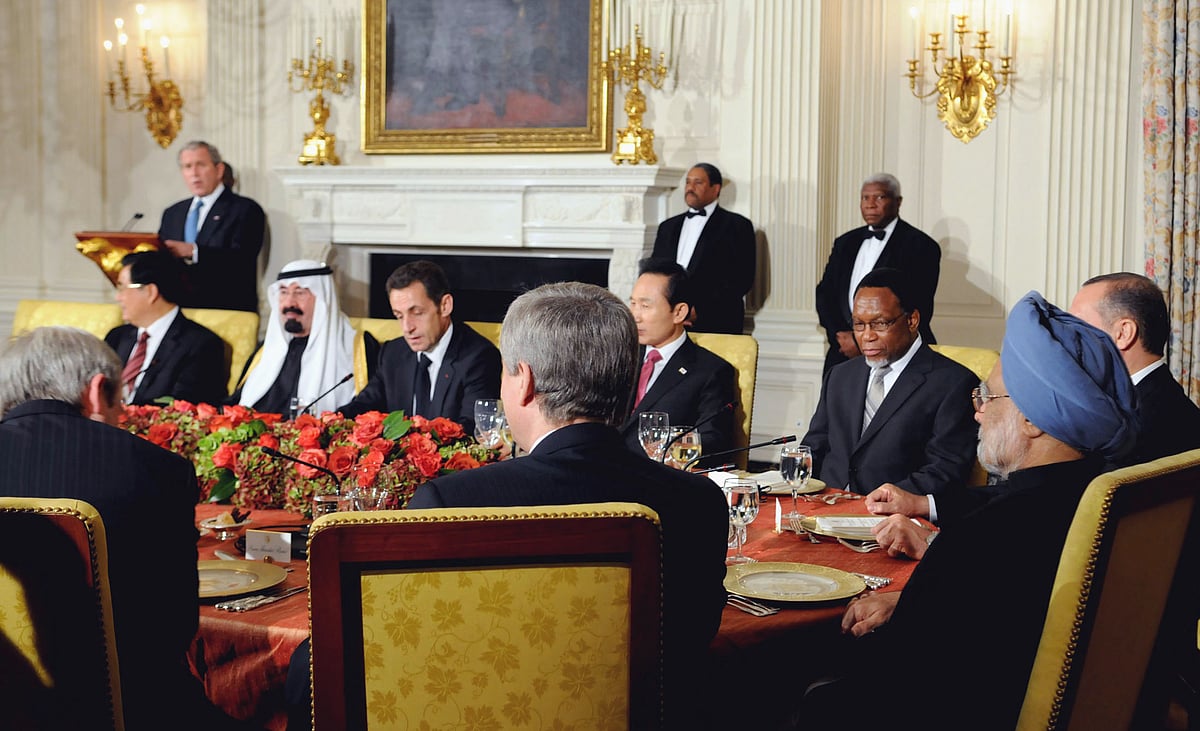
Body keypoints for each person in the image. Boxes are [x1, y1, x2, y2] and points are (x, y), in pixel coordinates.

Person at [799, 292, 1139, 731]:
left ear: (1033, 420)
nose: (977, 413)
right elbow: (1008, 605)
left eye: (988, 397)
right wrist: (914, 599)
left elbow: (901, 682)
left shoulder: (986, 534)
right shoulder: (1108, 497)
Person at [406, 281, 729, 725]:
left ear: (526, 383)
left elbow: (406, 654)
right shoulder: (700, 501)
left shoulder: (452, 502)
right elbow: (694, 643)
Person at [0, 327, 252, 730]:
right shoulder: (156, 468)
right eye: (121, 401)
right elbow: (175, 627)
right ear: (98, 391)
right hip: (133, 711)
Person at [868, 272, 1200, 559]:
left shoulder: (1154, 424)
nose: (1060, 337)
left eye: (1076, 324)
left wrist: (940, 546)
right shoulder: (1143, 404)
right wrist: (926, 505)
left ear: (1123, 333)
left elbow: (1048, 525)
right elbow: (1031, 494)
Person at [802, 267, 978, 496]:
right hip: (822, 510)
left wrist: (882, 501)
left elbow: (945, 471)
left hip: (895, 519)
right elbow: (813, 449)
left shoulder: (953, 384)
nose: (867, 336)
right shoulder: (840, 376)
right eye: (859, 324)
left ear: (912, 320)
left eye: (880, 324)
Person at [338, 260, 501, 431]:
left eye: (417, 313)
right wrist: (332, 422)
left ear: (445, 306)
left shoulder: (479, 358)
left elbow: (472, 429)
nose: (407, 327)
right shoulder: (392, 353)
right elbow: (364, 405)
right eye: (399, 316)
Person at [815, 173, 941, 375]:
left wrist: (866, 340)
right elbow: (825, 294)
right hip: (843, 353)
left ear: (898, 202)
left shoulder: (921, 246)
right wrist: (843, 336)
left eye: (879, 197)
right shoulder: (845, 242)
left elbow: (918, 305)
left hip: (899, 355)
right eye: (865, 198)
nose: (870, 204)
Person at [1069, 272, 1200, 465]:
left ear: (1123, 333)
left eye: (1078, 326)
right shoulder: (1165, 399)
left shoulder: (1132, 430)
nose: (1070, 338)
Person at [620, 257, 736, 461]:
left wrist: (669, 447)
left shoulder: (710, 371)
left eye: (645, 307)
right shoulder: (619, 356)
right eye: (633, 304)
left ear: (679, 312)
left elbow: (713, 439)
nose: (635, 316)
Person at [104, 250, 228, 406]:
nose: (118, 297)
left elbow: (183, 406)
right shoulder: (117, 336)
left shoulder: (201, 345)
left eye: (123, 288)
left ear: (150, 292)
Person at [232, 260, 355, 416]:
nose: (289, 303)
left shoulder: (355, 350)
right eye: (283, 292)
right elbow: (236, 402)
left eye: (300, 292)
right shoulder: (265, 351)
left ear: (323, 299)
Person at [158, 140, 265, 312]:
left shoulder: (245, 209)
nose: (194, 173)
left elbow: (242, 260)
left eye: (201, 165)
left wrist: (193, 251)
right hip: (179, 311)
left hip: (226, 309)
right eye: (187, 166)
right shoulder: (173, 213)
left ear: (219, 170)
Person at [651, 162, 756, 334]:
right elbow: (657, 273)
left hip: (716, 322)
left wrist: (698, 310)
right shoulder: (667, 227)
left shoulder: (737, 226)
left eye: (698, 182)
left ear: (716, 189)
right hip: (671, 321)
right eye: (687, 182)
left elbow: (741, 279)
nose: (690, 188)